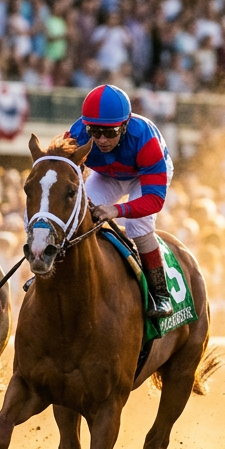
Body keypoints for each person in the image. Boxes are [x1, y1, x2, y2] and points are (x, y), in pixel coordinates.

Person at [65, 83, 175, 318]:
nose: (102, 140)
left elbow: (154, 200)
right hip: (107, 175)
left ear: (124, 126)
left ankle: (160, 294)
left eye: (110, 132)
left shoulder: (144, 138)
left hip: (142, 176)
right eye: (95, 131)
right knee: (77, 216)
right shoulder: (75, 135)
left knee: (138, 225)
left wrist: (116, 210)